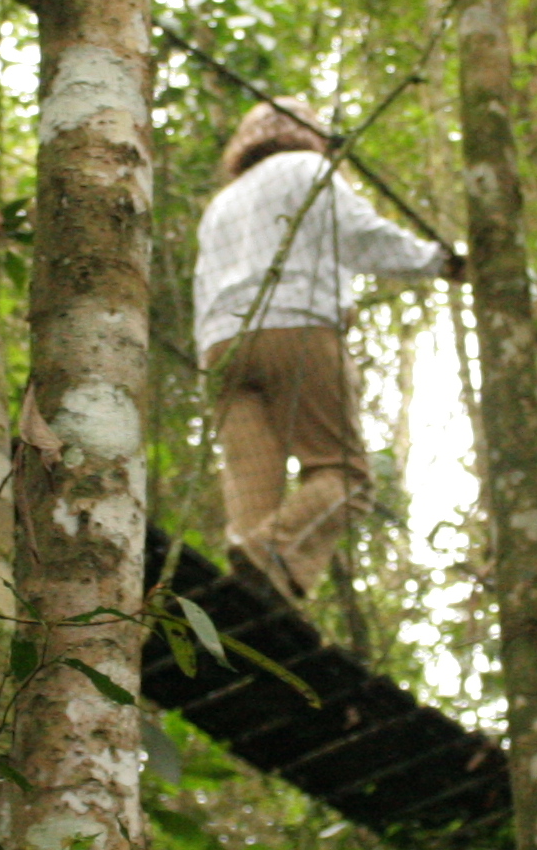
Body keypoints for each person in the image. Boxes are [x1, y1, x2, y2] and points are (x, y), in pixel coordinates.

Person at [192, 100, 462, 602]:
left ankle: (266, 599)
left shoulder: (220, 205)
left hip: (222, 349)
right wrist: (441, 262)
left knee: (254, 501)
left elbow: (203, 284)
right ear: (308, 132)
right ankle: (270, 559)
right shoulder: (306, 169)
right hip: (296, 328)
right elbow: (359, 236)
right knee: (344, 476)